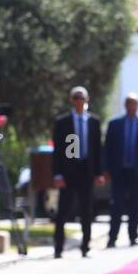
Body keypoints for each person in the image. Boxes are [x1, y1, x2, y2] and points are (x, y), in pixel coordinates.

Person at [52, 86, 104, 258]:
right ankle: (58, 248)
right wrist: (57, 174)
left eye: (81, 98)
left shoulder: (93, 121)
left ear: (87, 100)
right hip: (69, 172)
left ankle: (85, 246)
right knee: (63, 211)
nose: (79, 101)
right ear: (71, 100)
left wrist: (99, 172)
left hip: (86, 171)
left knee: (86, 211)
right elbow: (59, 151)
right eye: (76, 98)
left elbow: (97, 149)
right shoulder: (63, 122)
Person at [103, 93, 138, 247]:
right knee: (116, 205)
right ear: (125, 105)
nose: (132, 107)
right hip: (119, 172)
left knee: (135, 206)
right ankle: (112, 238)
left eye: (135, 104)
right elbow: (107, 149)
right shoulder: (114, 125)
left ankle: (133, 236)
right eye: (129, 104)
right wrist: (105, 169)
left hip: (137, 172)